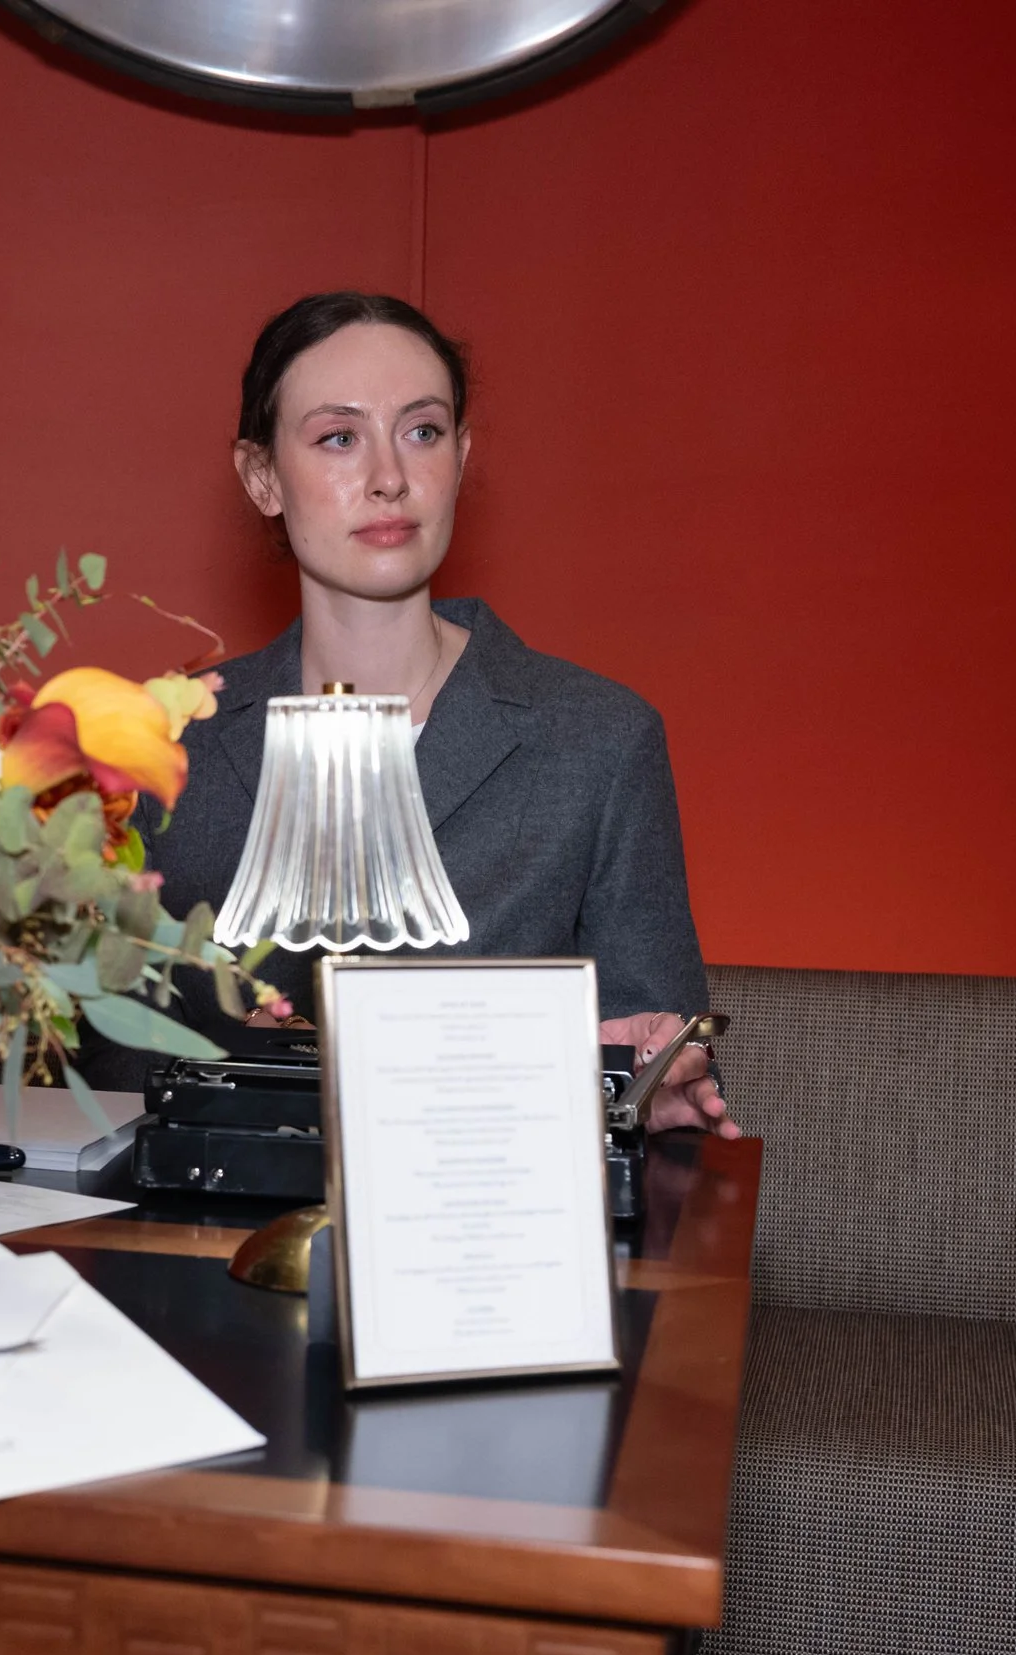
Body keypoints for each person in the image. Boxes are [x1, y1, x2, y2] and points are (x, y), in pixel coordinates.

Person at [118, 291, 735, 1139]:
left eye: (422, 432)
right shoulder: (165, 745)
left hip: (490, 1234)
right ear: (262, 477)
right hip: (210, 1235)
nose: (389, 479)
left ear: (460, 455)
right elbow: (104, 1060)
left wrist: (649, 1090)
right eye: (339, 437)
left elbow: (654, 1053)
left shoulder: (599, 740)